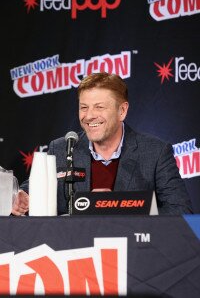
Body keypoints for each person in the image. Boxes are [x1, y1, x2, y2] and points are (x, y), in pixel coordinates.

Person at [12, 72, 193, 215]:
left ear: (122, 111)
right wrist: (22, 197)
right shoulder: (61, 148)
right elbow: (30, 190)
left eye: (99, 107)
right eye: (84, 107)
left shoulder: (155, 152)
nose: (89, 115)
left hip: (134, 255)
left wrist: (117, 207)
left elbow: (180, 210)